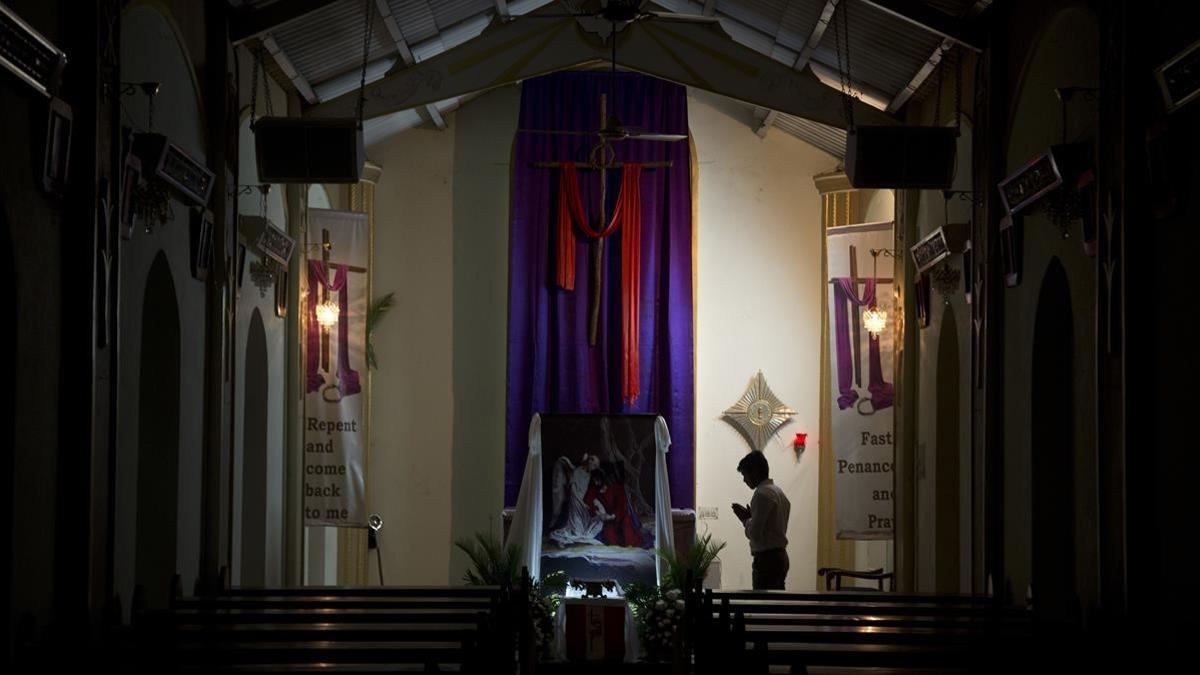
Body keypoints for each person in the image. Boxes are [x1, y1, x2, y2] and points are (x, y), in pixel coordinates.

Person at [731, 451, 790, 590]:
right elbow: (771, 526)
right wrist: (751, 517)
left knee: (764, 605)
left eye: (745, 475)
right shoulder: (778, 492)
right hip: (780, 556)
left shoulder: (761, 494)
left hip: (767, 560)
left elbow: (755, 534)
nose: (744, 480)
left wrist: (745, 519)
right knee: (776, 605)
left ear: (755, 472)